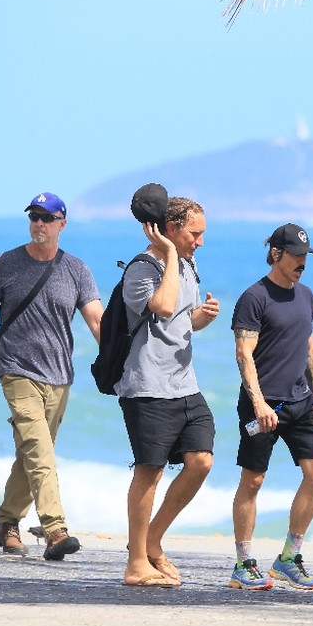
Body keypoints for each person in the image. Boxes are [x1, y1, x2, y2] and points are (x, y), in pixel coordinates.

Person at [0, 192, 103, 561]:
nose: (39, 224)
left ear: (63, 223)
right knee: (39, 449)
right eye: (34, 217)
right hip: (15, 371)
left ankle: (8, 523)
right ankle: (55, 529)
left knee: (32, 451)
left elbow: (96, 320)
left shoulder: (77, 269)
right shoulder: (7, 264)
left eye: (47, 218)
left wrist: (120, 364)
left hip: (59, 376)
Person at [116, 185, 220, 588]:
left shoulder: (188, 265)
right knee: (150, 472)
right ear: (170, 230)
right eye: (194, 234)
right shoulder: (142, 268)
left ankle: (153, 540)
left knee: (201, 460)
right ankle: (136, 561)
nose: (200, 242)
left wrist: (200, 318)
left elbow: (177, 318)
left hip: (184, 383)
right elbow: (158, 306)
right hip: (147, 385)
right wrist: (172, 255)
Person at [228, 223, 313, 591]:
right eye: (296, 256)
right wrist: (257, 402)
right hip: (263, 404)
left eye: (306, 256)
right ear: (276, 254)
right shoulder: (254, 297)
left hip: (301, 401)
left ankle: (288, 558)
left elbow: (308, 344)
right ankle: (243, 564)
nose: (302, 262)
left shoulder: (306, 295)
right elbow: (244, 354)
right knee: (253, 480)